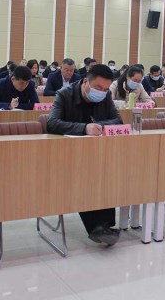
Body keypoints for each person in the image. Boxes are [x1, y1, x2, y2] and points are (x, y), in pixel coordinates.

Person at [46, 64, 122, 245]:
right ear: (85, 82)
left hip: (96, 154)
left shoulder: (105, 96)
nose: (101, 92)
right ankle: (98, 227)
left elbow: (118, 121)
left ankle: (104, 225)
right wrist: (84, 128)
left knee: (106, 173)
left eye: (105, 89)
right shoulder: (64, 94)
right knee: (85, 175)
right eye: (98, 88)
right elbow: (52, 123)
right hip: (68, 156)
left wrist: (100, 126)